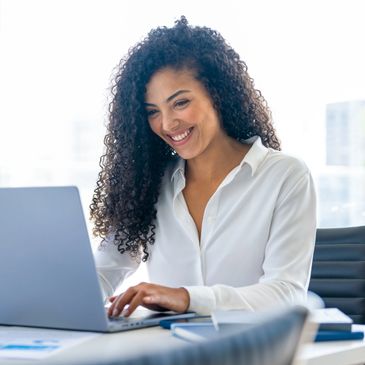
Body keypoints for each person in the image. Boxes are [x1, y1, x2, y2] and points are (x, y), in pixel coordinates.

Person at [90, 16, 316, 318]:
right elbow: (103, 272)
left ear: (218, 94)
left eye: (180, 103)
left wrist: (185, 298)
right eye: (153, 112)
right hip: (170, 353)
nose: (168, 124)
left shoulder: (285, 176)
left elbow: (286, 293)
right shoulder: (148, 185)